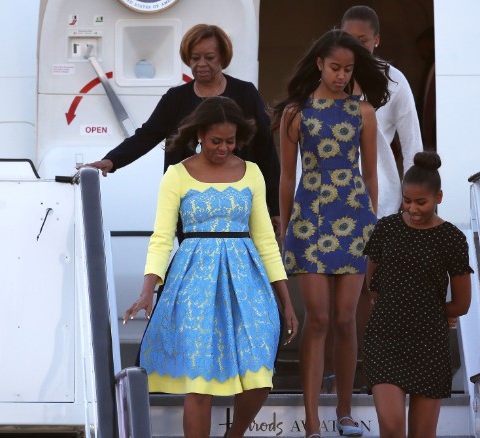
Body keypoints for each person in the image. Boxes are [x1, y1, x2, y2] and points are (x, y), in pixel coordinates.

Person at [123, 96, 298, 438]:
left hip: (248, 280)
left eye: (230, 141)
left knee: (260, 375)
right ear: (200, 133)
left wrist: (286, 300)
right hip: (194, 285)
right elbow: (161, 237)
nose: (223, 148)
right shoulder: (177, 175)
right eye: (216, 140)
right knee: (199, 383)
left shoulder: (253, 173)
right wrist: (148, 288)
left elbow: (265, 239)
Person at [273, 29, 390, 438]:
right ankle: (310, 421)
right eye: (335, 67)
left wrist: (372, 226)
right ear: (319, 63)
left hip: (354, 217)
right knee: (318, 319)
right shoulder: (295, 113)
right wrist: (284, 226)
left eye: (349, 69)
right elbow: (287, 176)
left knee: (345, 320)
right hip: (309, 218)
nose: (342, 75)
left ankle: (344, 411)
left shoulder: (365, 113)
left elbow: (371, 175)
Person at [86, 24, 281, 233]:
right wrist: (112, 160)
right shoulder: (175, 99)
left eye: (209, 57)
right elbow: (147, 135)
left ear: (223, 58)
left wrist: (275, 208)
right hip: (189, 208)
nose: (201, 64)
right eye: (195, 58)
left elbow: (266, 151)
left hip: (238, 206)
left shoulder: (246, 93)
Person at [339, 4, 425, 393]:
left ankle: (376, 373)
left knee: (372, 293)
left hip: (383, 203)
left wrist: (414, 203)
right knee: (336, 299)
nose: (355, 48)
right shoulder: (325, 77)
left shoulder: (395, 81)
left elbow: (413, 147)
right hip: (331, 202)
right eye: (347, 39)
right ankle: (339, 374)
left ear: (376, 41)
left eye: (362, 41)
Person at [361, 151, 472, 438]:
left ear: (439, 197)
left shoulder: (452, 238)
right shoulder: (386, 228)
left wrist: (428, 311)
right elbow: (371, 280)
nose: (412, 208)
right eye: (407, 200)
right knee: (392, 426)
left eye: (420, 202)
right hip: (385, 339)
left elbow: (462, 303)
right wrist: (391, 303)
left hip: (429, 343)